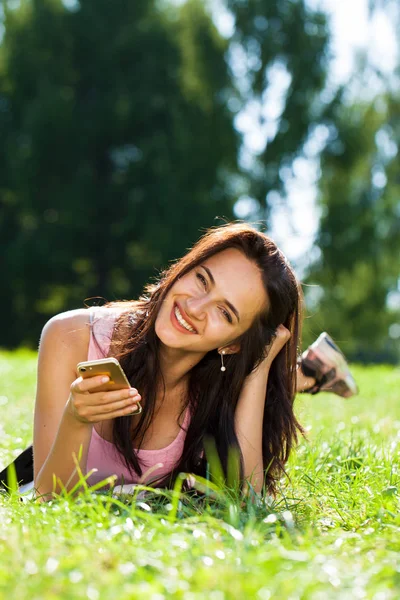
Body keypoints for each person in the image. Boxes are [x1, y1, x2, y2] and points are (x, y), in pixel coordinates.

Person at [1, 223, 358, 498]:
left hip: (224, 367)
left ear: (233, 345)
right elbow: (48, 497)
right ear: (184, 268)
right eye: (202, 280)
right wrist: (77, 417)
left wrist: (259, 367)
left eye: (225, 312)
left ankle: (308, 373)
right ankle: (312, 369)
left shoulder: (224, 379)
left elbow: (249, 501)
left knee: (271, 384)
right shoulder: (71, 336)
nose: (193, 308)